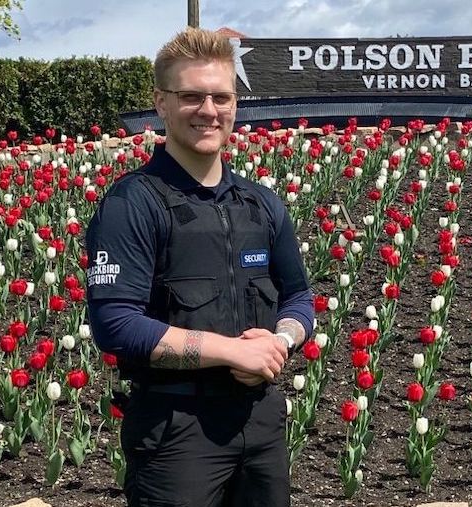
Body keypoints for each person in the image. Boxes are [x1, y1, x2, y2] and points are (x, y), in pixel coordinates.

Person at [85, 27, 315, 507]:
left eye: (221, 97)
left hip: (261, 423)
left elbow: (299, 300)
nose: (209, 110)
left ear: (235, 104)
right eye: (191, 96)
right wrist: (232, 353)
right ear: (161, 103)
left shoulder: (262, 204)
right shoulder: (133, 203)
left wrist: (281, 340)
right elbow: (115, 325)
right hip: (176, 432)